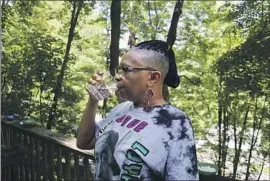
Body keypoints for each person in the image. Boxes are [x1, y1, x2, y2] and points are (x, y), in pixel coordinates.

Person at [77, 40, 199, 180]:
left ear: (153, 78)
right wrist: (93, 101)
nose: (117, 76)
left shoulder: (175, 122)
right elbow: (84, 142)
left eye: (126, 69)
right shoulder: (120, 110)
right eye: (119, 70)